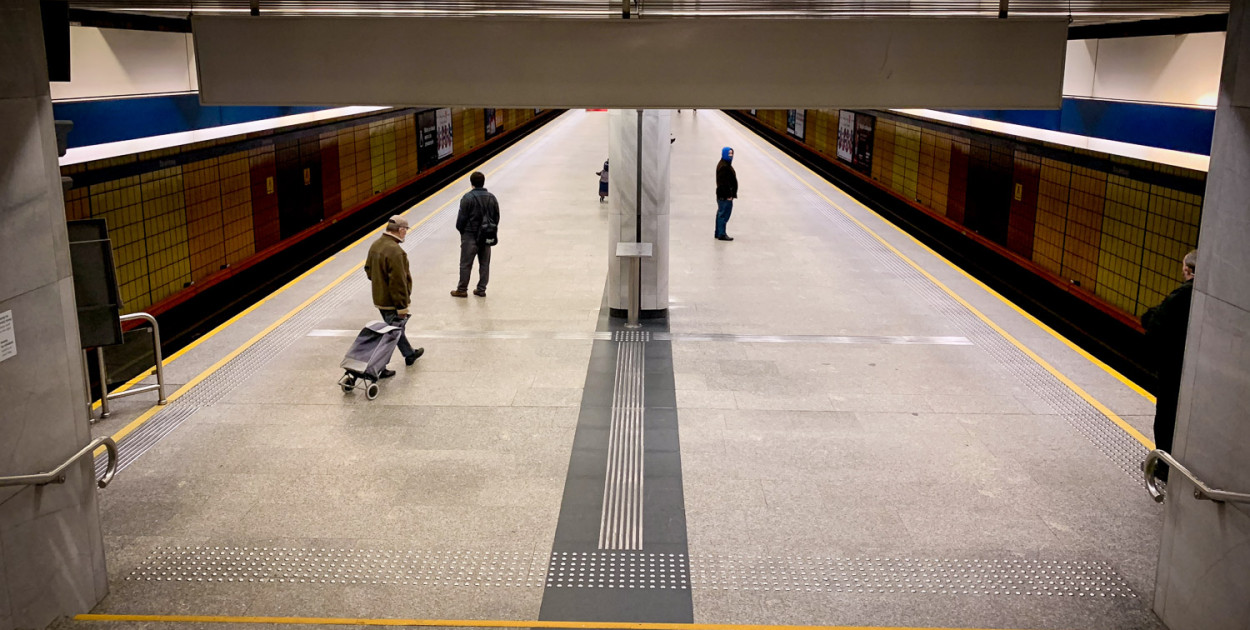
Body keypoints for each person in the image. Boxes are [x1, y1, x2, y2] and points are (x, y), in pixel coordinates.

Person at [1142, 249, 1197, 481]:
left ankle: (1164, 466)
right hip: (1200, 372)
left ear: (1187, 270)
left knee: (1167, 416)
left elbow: (1153, 321)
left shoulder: (1183, 295)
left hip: (1174, 367)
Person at [363, 215, 424, 378]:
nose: (406, 234)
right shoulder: (396, 252)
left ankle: (409, 354)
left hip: (379, 299)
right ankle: (378, 368)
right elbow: (398, 282)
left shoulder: (375, 245)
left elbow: (368, 270)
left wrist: (378, 284)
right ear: (401, 230)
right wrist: (402, 306)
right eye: (406, 230)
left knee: (396, 330)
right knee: (391, 335)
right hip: (392, 302)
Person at [452, 171, 500, 298]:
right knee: (484, 263)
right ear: (483, 182)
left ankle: (462, 289)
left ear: (471, 183)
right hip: (486, 236)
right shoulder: (492, 197)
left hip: (469, 235)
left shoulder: (467, 198)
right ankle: (481, 289)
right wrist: (488, 229)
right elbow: (496, 217)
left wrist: (463, 231)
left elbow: (460, 220)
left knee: (465, 264)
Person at [714, 147, 737, 241]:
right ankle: (722, 234)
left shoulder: (724, 164)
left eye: (732, 154)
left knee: (720, 213)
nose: (731, 156)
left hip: (722, 194)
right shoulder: (724, 166)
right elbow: (723, 183)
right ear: (724, 154)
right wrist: (728, 195)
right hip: (724, 195)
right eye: (729, 154)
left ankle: (718, 232)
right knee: (724, 214)